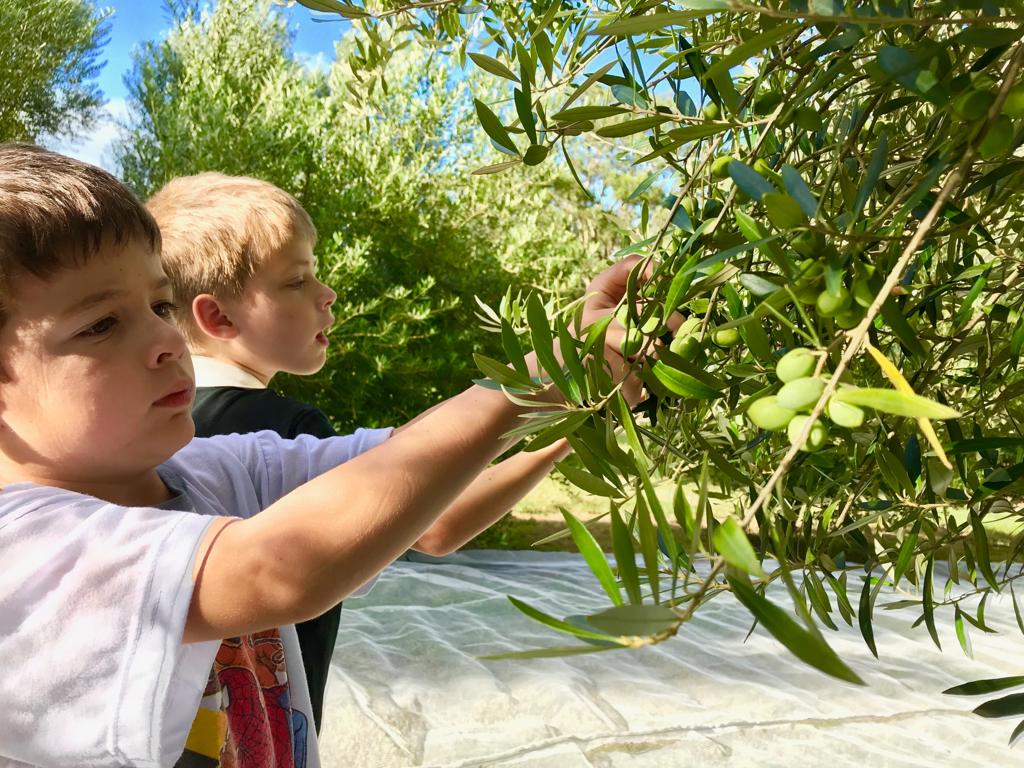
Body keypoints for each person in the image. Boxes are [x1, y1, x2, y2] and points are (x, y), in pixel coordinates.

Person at [0, 144, 644, 767]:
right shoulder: (25, 554)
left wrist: (563, 370)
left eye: (159, 304)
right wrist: (537, 383)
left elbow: (406, 460)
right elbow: (277, 571)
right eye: (102, 324)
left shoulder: (211, 469)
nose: (168, 338)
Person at [146, 171, 574, 735]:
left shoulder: (158, 433)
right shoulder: (286, 430)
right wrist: (565, 434)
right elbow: (436, 525)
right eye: (297, 281)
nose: (328, 295)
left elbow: (415, 450)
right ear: (218, 317)